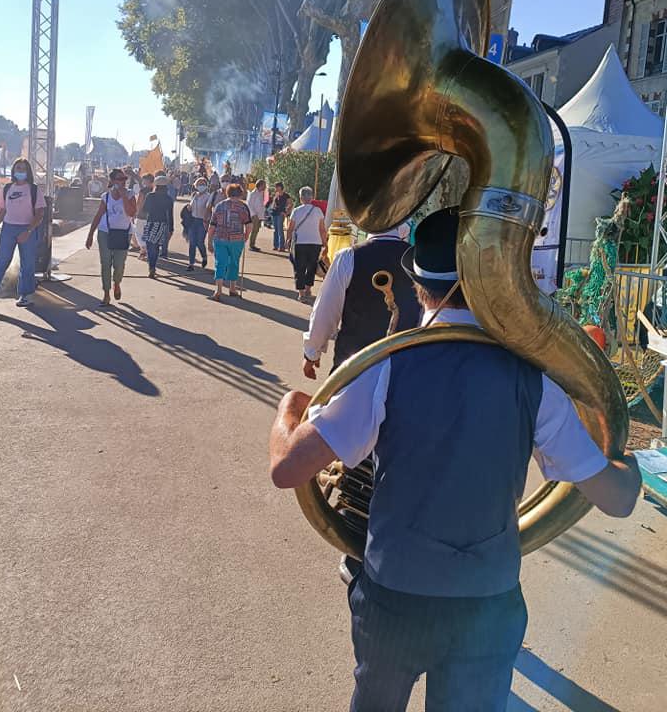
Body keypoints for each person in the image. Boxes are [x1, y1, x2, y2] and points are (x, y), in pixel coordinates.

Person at [269, 208, 642, 712]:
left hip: (394, 597)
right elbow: (617, 501)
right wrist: (627, 462)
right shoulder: (533, 381)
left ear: (420, 287)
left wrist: (289, 410)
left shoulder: (386, 366)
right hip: (485, 608)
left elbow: (288, 469)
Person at [302, 222, 419, 379]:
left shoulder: (348, 256)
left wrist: (312, 353)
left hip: (353, 367)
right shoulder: (418, 260)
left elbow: (325, 311)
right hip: (403, 370)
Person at [0, 157, 45, 306]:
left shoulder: (34, 189)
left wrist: (28, 231)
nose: (20, 172)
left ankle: (26, 294)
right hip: (8, 228)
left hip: (27, 228)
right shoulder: (7, 189)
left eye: (23, 169)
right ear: (13, 170)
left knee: (27, 263)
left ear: (28, 171)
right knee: (1, 261)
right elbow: (1, 211)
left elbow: (40, 213)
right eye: (18, 168)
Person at [85, 168, 137, 306]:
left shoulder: (131, 195)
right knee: (105, 263)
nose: (123, 182)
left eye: (125, 179)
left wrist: (124, 196)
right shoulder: (105, 197)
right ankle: (106, 293)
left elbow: (131, 213)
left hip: (124, 233)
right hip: (105, 232)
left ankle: (117, 283)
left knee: (119, 264)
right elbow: (98, 216)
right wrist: (90, 235)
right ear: (113, 181)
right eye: (120, 179)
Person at [207, 183, 251, 301]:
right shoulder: (243, 207)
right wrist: (245, 237)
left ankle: (218, 290)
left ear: (228, 193)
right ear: (240, 193)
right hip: (237, 240)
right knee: (234, 263)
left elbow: (212, 226)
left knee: (220, 263)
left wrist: (209, 241)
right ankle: (232, 289)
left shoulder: (219, 206)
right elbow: (249, 225)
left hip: (220, 239)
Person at [286, 186, 327, 302]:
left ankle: (301, 293)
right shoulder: (318, 211)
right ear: (312, 197)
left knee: (299, 268)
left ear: (300, 198)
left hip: (300, 243)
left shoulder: (296, 211)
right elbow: (322, 229)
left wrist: (287, 240)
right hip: (315, 243)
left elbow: (290, 228)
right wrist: (325, 242)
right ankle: (308, 289)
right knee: (311, 267)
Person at [142, 175, 174, 278]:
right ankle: (152, 266)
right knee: (156, 247)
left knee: (149, 246)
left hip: (150, 223)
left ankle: (151, 266)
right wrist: (171, 228)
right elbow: (170, 214)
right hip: (162, 224)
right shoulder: (168, 199)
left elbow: (144, 210)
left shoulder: (150, 196)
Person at [186, 176, 210, 271]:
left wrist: (207, 220)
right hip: (193, 221)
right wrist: (189, 207)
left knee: (200, 242)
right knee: (192, 242)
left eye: (203, 184)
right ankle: (191, 263)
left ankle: (204, 257)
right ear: (196, 185)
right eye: (199, 184)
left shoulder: (208, 196)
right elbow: (191, 206)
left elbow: (209, 209)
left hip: (202, 221)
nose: (201, 186)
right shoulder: (194, 195)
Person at [270, 181, 292, 252]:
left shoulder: (286, 195)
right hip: (275, 213)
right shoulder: (276, 195)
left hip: (281, 213)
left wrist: (286, 212)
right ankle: (275, 245)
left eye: (276, 186)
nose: (275, 188)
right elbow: (273, 204)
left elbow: (290, 204)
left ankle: (281, 246)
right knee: (275, 230)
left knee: (280, 230)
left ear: (280, 187)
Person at [246, 179, 267, 252]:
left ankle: (253, 244)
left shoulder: (261, 193)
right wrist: (254, 215)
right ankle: (251, 245)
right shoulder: (253, 194)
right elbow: (249, 205)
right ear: (260, 185)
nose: (265, 187)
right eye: (264, 185)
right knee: (254, 230)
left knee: (256, 230)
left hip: (259, 215)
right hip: (254, 216)